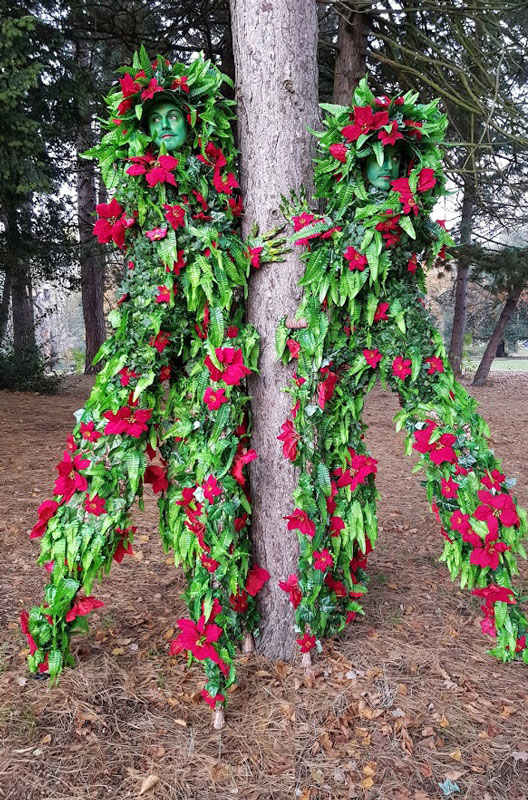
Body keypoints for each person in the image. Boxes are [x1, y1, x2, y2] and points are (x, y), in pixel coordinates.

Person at [22, 50, 282, 721]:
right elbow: (170, 266)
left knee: (208, 492)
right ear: (147, 131)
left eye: (177, 117)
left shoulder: (214, 191)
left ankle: (218, 652)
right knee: (97, 484)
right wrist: (236, 254)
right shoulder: (141, 189)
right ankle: (51, 627)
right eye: (157, 119)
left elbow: (211, 259)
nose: (167, 127)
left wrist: (247, 253)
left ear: (194, 128)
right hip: (139, 362)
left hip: (201, 366)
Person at [279, 82, 528, 666]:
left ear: (405, 166)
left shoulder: (410, 219)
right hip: (343, 343)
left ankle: (501, 601)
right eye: (368, 159)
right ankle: (321, 600)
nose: (379, 171)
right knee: (325, 454)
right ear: (352, 165)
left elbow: (422, 232)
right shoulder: (331, 224)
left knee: (452, 445)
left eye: (390, 160)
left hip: (406, 341)